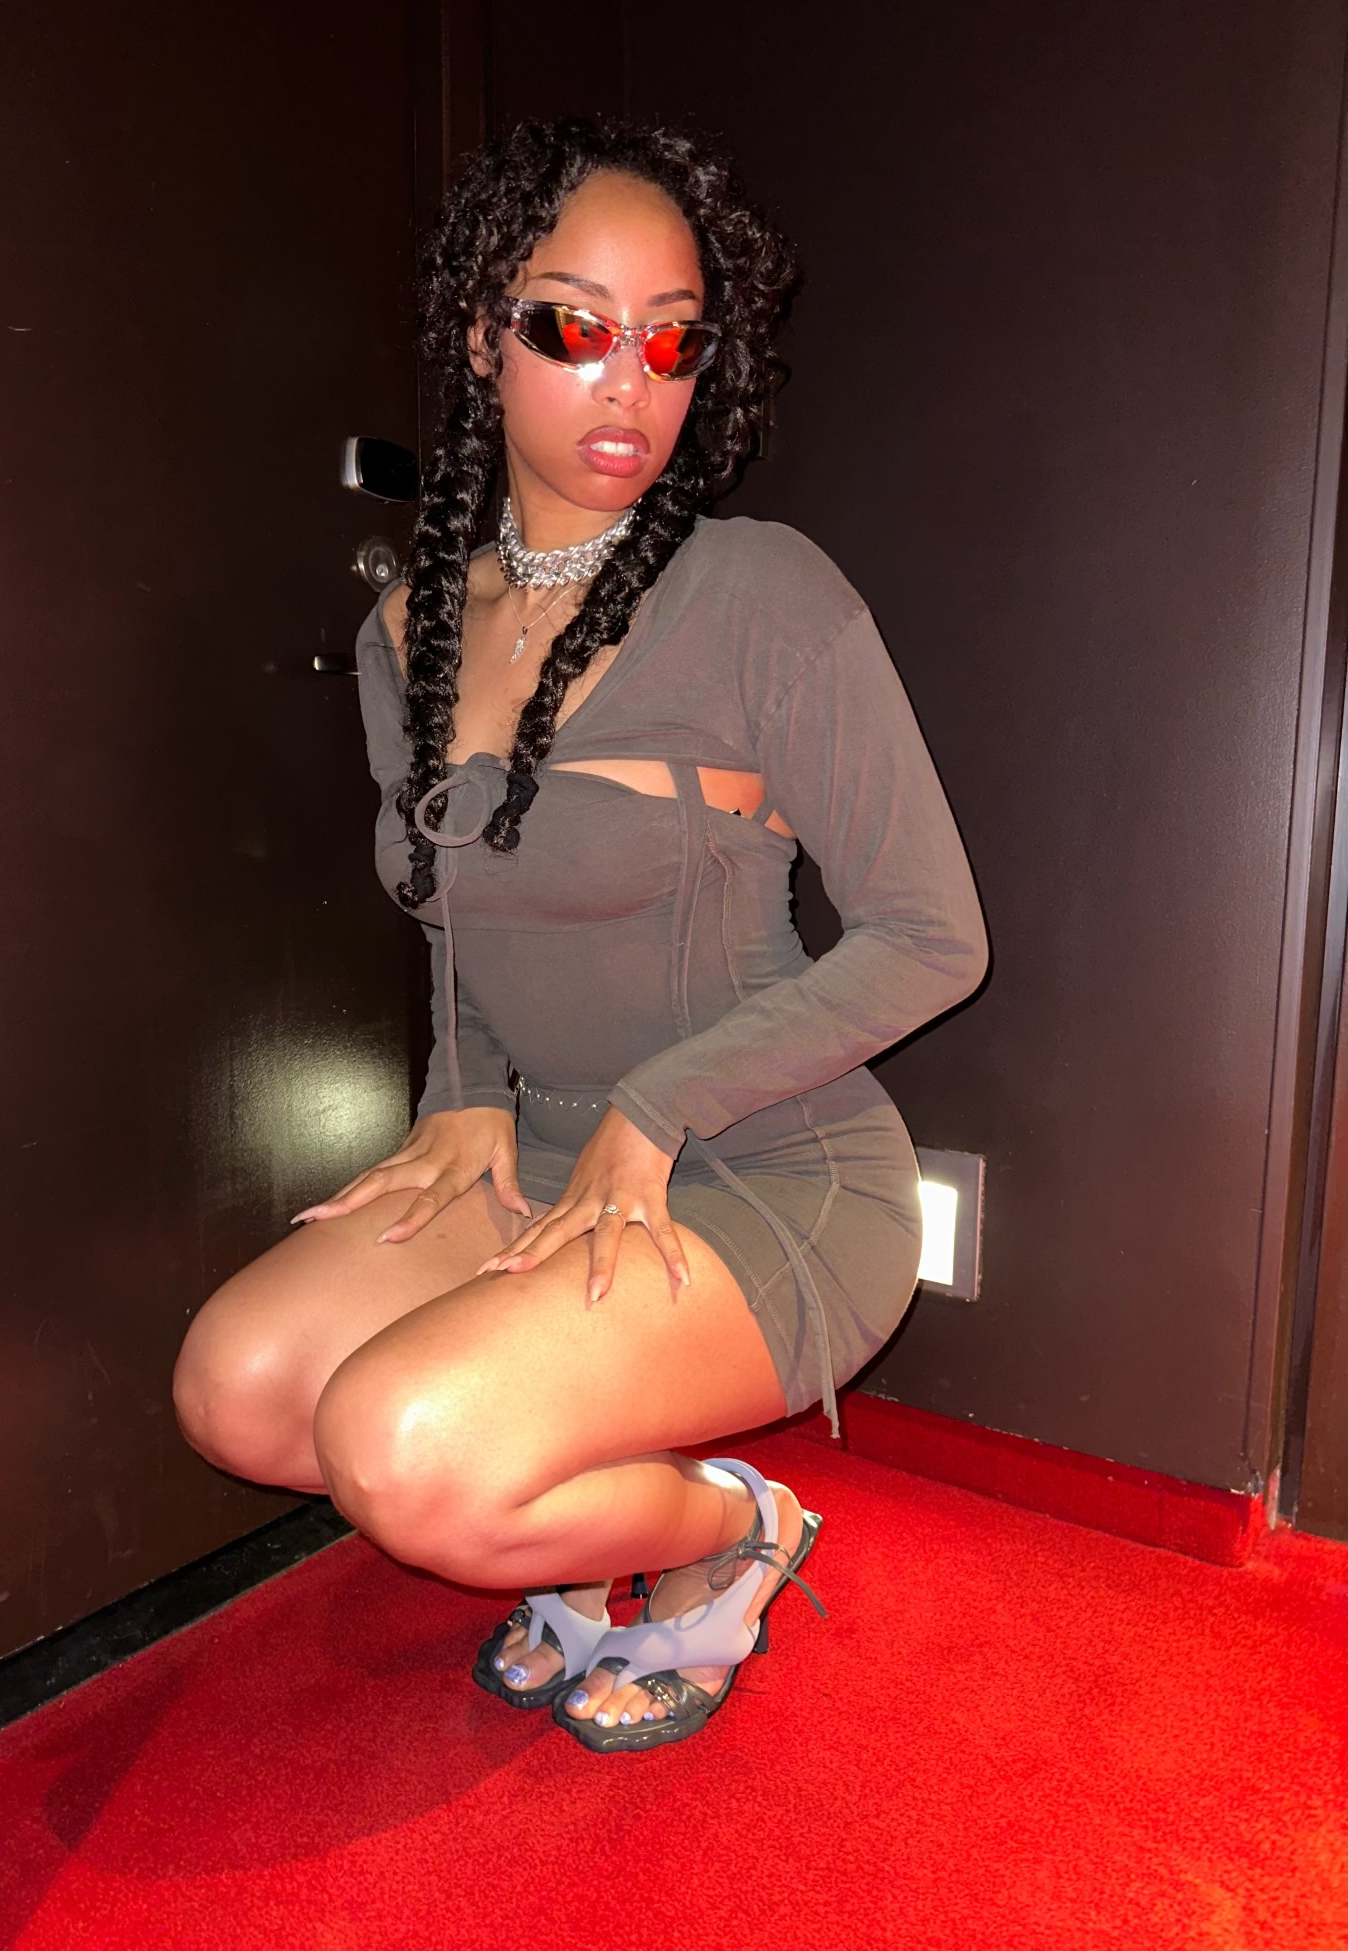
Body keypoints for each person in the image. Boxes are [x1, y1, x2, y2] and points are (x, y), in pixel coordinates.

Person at [172, 116, 988, 1753]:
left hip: (762, 1168)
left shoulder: (761, 592)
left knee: (410, 1455)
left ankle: (729, 1533)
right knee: (239, 1390)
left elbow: (931, 936)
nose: (633, 381)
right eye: (577, 325)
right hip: (535, 1152)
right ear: (486, 336)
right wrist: (462, 1093)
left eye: (674, 340)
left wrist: (656, 1108)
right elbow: (462, 922)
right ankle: (578, 1491)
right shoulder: (407, 630)